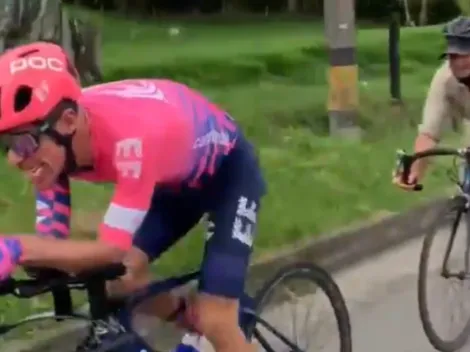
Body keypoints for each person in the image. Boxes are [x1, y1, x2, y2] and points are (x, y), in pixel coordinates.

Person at [0, 41, 266, 352]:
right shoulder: (56, 144)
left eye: (24, 144)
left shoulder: (130, 141)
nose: (15, 160)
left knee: (216, 319)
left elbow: (112, 250)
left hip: (228, 174)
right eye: (6, 144)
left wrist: (19, 249)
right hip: (170, 180)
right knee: (120, 282)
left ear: (68, 121)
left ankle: (211, 324)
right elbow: (52, 246)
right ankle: (190, 321)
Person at [394, 16, 470, 189]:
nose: (457, 62)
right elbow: (429, 134)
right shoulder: (445, 80)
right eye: (452, 55)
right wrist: (414, 172)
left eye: (464, 54)